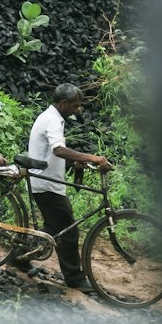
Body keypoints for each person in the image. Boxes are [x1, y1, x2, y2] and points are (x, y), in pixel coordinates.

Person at [19, 82, 111, 290]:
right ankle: (75, 279)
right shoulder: (52, 120)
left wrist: (75, 161)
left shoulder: (51, 117)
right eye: (75, 105)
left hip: (45, 181)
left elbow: (53, 151)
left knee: (54, 228)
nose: (77, 110)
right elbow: (58, 150)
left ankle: (20, 256)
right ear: (63, 103)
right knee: (68, 231)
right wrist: (93, 158)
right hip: (46, 184)